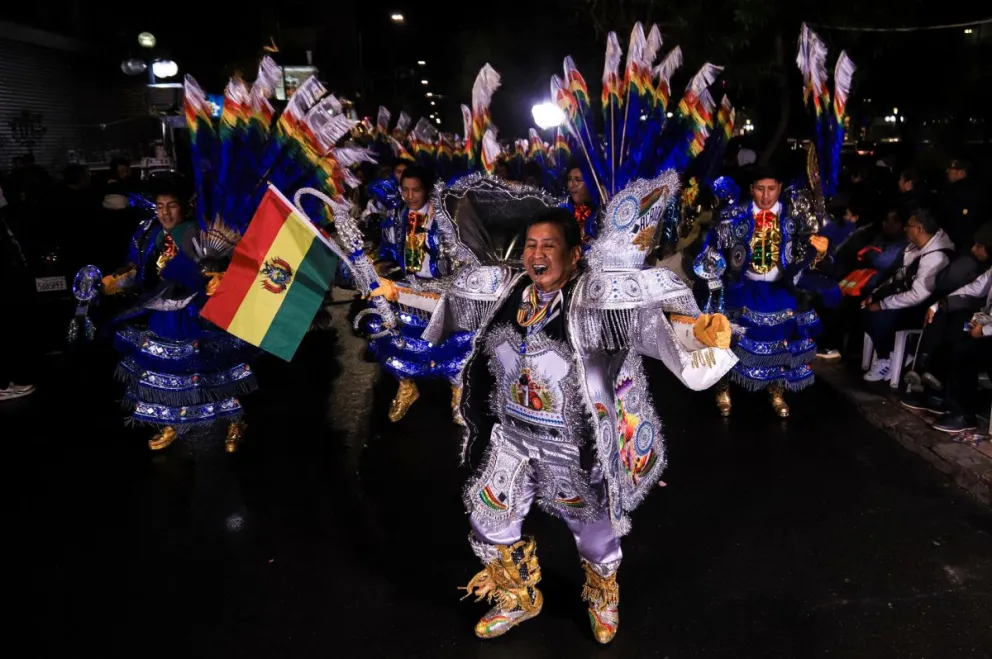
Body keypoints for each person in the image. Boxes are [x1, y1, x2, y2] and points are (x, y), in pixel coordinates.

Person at [409, 205, 735, 643]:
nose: (536, 254)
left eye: (549, 245)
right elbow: (453, 299)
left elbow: (652, 328)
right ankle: (518, 594)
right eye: (530, 245)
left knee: (596, 538)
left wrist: (699, 332)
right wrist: (393, 293)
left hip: (574, 446)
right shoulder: (508, 289)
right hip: (514, 438)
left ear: (574, 253)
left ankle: (602, 595)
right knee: (489, 515)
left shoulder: (596, 301)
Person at [694, 164, 828, 417]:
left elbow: (804, 255)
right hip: (742, 286)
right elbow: (711, 251)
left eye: (771, 189)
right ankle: (723, 388)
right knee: (728, 335)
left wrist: (818, 253)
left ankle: (777, 390)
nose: (766, 196)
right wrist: (714, 274)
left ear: (780, 188)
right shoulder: (731, 216)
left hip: (780, 287)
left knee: (783, 336)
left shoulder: (795, 218)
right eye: (760, 189)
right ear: (750, 189)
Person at [861, 209, 954, 382]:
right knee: (863, 307)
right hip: (902, 298)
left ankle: (888, 358)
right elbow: (897, 275)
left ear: (919, 229)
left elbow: (918, 295)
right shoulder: (914, 247)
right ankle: (894, 355)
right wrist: (875, 295)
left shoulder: (936, 256)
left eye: (908, 226)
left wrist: (883, 304)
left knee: (875, 317)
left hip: (922, 309)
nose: (905, 229)